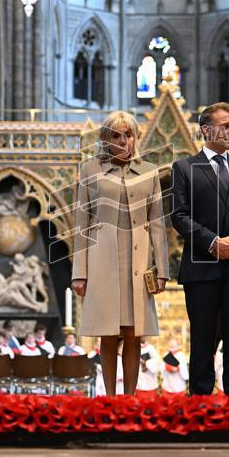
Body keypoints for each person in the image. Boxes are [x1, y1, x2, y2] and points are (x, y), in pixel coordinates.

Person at [170, 102, 229, 395]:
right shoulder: (185, 168)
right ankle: (200, 404)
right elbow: (179, 215)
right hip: (201, 268)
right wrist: (212, 242)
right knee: (202, 342)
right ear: (206, 129)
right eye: (226, 126)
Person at [72, 111, 170, 396]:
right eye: (116, 135)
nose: (123, 140)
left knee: (133, 332)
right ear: (105, 138)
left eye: (128, 135)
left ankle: (129, 397)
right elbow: (81, 222)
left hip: (137, 263)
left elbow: (157, 224)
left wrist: (162, 271)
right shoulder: (91, 170)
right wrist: (80, 273)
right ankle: (110, 398)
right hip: (101, 260)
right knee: (108, 333)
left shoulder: (149, 171)